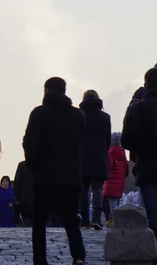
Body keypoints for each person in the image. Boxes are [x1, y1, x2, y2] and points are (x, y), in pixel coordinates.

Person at [23, 77, 86, 265]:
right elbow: (81, 141)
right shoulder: (78, 115)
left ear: (47, 91)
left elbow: (30, 142)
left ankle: (40, 259)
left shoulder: (39, 113)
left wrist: (33, 166)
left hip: (45, 177)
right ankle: (79, 256)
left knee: (40, 221)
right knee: (71, 219)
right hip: (71, 176)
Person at [122, 67, 157, 264]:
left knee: (153, 210)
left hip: (148, 167)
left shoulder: (137, 108)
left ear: (145, 84)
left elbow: (126, 141)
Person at [78, 89, 111, 229]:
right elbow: (108, 139)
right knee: (97, 188)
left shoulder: (79, 115)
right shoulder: (105, 117)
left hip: (82, 155)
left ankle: (85, 218)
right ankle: (97, 217)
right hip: (99, 154)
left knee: (83, 188)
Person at [103, 132, 129, 227]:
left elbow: (109, 166)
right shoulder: (122, 153)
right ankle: (112, 218)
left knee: (112, 202)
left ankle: (115, 219)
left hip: (111, 180)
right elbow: (126, 168)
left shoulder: (110, 152)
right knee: (116, 200)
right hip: (120, 180)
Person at [13, 159, 34, 227]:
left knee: (27, 222)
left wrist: (16, 196)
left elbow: (17, 182)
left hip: (24, 200)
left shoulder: (22, 165)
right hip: (37, 200)